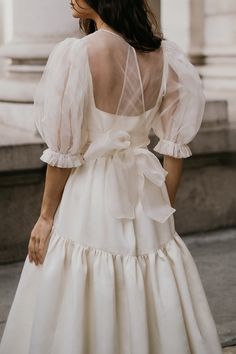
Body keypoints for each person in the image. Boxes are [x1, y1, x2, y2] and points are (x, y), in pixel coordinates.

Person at [0, 1, 223, 353]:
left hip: (93, 191)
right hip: (146, 191)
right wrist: (162, 208)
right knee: (150, 277)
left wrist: (45, 217)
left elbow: (63, 149)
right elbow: (174, 147)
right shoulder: (164, 55)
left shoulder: (77, 54)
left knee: (84, 278)